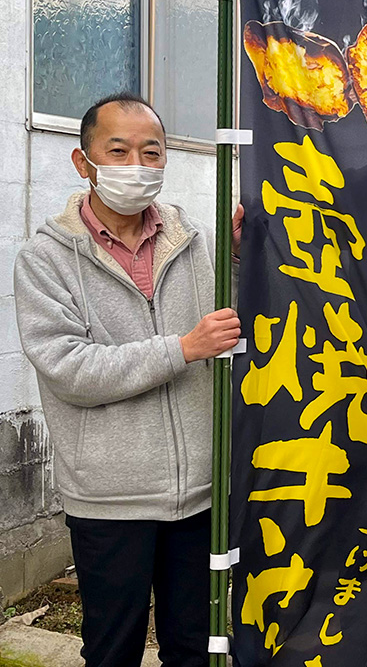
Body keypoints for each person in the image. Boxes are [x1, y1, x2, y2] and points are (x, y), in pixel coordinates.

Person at [13, 93, 242, 667]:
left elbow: (237, 325)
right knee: (112, 649)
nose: (137, 166)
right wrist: (182, 349)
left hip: (199, 495)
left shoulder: (195, 243)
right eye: (118, 151)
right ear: (83, 161)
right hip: (110, 500)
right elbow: (70, 369)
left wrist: (238, 261)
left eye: (151, 152)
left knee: (195, 646)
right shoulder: (46, 258)